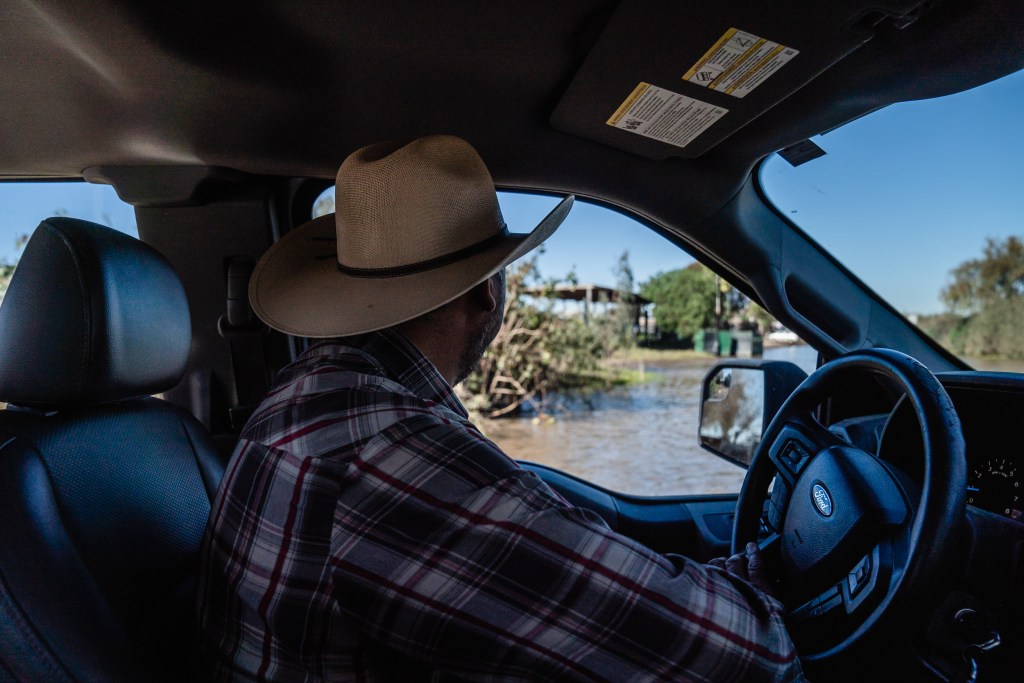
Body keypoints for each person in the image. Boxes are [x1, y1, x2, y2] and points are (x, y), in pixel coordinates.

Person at [198, 135, 804, 681]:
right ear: (489, 292)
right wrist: (773, 578)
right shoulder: (387, 450)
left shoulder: (300, 395)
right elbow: (743, 654)